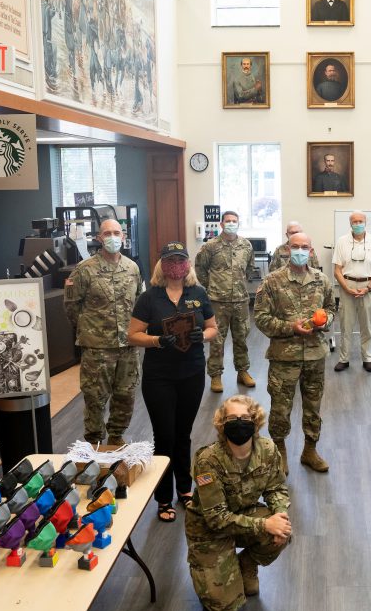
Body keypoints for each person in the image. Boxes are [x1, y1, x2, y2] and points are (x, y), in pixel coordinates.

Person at [129, 243, 218, 522]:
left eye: (181, 260)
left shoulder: (199, 293)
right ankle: (163, 497)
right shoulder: (149, 298)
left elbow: (213, 328)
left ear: (188, 264)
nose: (176, 266)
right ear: (162, 265)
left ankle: (185, 488)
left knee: (183, 434)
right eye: (170, 260)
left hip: (191, 373)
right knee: (164, 436)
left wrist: (201, 337)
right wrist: (156, 340)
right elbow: (133, 335)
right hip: (159, 377)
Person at [185, 395, 291, 611]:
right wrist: (264, 525)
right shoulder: (208, 460)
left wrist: (280, 515)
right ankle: (221, 562)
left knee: (282, 531)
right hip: (209, 530)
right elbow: (217, 519)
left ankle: (246, 562)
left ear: (255, 421)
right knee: (225, 609)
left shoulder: (268, 449)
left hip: (243, 514)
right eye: (232, 418)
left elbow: (276, 488)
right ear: (222, 424)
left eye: (245, 417)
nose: (239, 422)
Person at [253, 231, 336, 474]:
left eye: (304, 247)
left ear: (311, 251)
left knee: (313, 407)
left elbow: (331, 309)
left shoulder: (322, 280)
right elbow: (261, 318)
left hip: (314, 355)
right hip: (283, 357)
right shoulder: (272, 281)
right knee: (280, 408)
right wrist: (291, 327)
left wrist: (325, 321)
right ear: (288, 250)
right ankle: (279, 453)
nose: (300, 251)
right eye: (295, 246)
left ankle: (310, 450)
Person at [64, 219, 144, 446]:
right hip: (97, 347)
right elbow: (72, 307)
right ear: (99, 238)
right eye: (107, 233)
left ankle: (117, 435)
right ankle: (94, 441)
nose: (112, 237)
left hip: (127, 345)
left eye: (116, 232)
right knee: (94, 398)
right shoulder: (85, 269)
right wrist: (89, 331)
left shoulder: (132, 268)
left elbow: (138, 302)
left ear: (124, 236)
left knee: (125, 395)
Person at [194, 210, 257, 394]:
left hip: (240, 300)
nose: (231, 223)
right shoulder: (210, 246)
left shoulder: (246, 245)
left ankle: (243, 371)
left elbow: (250, 268)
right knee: (217, 339)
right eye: (227, 221)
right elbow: (200, 269)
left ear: (238, 223)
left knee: (241, 337)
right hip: (217, 301)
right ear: (221, 224)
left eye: (234, 221)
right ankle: (215, 375)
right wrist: (212, 286)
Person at [333, 212, 371, 373]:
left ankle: (367, 359)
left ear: (365, 222)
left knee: (367, 326)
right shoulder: (342, 241)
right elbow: (337, 270)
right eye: (354, 221)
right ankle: (344, 359)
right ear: (350, 223)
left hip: (368, 286)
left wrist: (369, 287)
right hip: (346, 285)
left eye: (360, 221)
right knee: (345, 325)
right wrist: (346, 288)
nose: (357, 224)